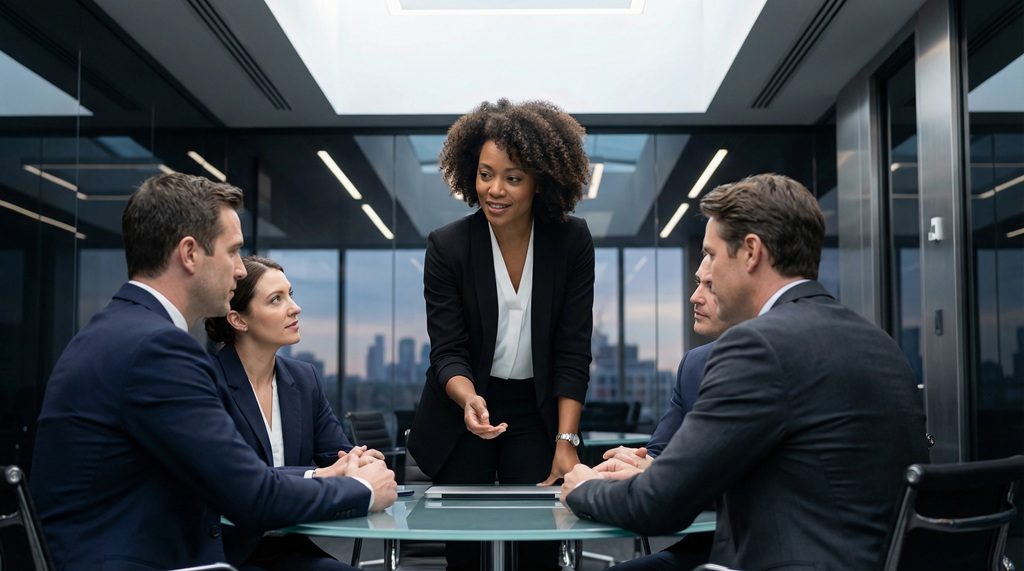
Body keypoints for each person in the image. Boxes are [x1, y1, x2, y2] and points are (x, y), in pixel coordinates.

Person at [561, 173, 929, 570]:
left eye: (712, 254)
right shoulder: (879, 343)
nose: (706, 273)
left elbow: (658, 506)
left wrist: (584, 487)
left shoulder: (760, 345)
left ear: (751, 252)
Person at [31, 173, 397, 571]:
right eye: (233, 251)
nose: (240, 270)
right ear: (190, 253)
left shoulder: (113, 331)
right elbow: (252, 495)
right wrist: (362, 489)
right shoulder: (158, 349)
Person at [407, 98, 594, 570]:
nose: (495, 189)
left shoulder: (571, 241)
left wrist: (566, 440)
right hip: (463, 410)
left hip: (537, 410)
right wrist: (468, 397)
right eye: (485, 173)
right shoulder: (447, 246)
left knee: (538, 552)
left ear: (540, 183)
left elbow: (574, 350)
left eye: (513, 177)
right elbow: (447, 350)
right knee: (466, 554)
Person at [205, 255, 378, 571]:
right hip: (230, 552)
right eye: (276, 300)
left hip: (292, 546)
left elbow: (338, 454)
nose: (294, 308)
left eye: (291, 294)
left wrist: (361, 461)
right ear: (238, 320)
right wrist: (320, 474)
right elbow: (236, 482)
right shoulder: (208, 383)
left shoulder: (303, 378)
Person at [597, 255, 727, 571]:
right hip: (704, 545)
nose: (695, 296)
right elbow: (657, 453)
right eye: (697, 282)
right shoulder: (694, 365)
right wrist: (631, 462)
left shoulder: (773, 360)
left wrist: (658, 473)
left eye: (710, 285)